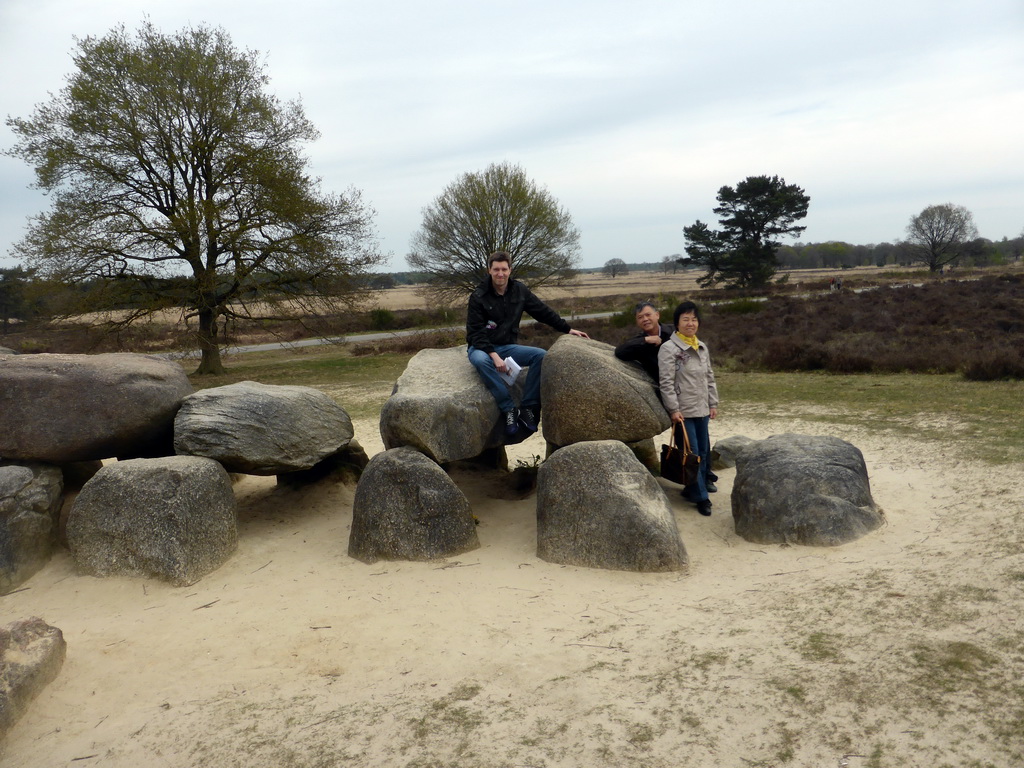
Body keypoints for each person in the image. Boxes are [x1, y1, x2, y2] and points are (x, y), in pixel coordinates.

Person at [466, 251, 589, 438]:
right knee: (482, 361)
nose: (501, 274)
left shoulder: (519, 291)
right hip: (481, 347)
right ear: (489, 270)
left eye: (504, 269)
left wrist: (567, 328)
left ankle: (528, 408)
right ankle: (509, 409)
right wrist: (494, 356)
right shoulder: (478, 296)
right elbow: (475, 332)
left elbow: (541, 311)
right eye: (496, 269)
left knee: (540, 356)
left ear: (510, 270)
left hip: (507, 346)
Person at [658, 301, 719, 516]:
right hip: (683, 411)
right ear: (676, 323)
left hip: (702, 408)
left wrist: (713, 403)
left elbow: (709, 377)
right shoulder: (669, 349)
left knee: (702, 452)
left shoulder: (701, 346)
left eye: (694, 319)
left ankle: (694, 488)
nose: (690, 323)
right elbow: (666, 381)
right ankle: (701, 497)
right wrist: (673, 409)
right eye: (685, 319)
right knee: (692, 454)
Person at [614, 302, 674, 385]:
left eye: (648, 315)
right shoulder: (640, 343)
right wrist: (645, 339)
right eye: (640, 317)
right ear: (637, 321)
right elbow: (619, 352)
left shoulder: (674, 331)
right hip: (665, 388)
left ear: (657, 315)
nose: (645, 319)